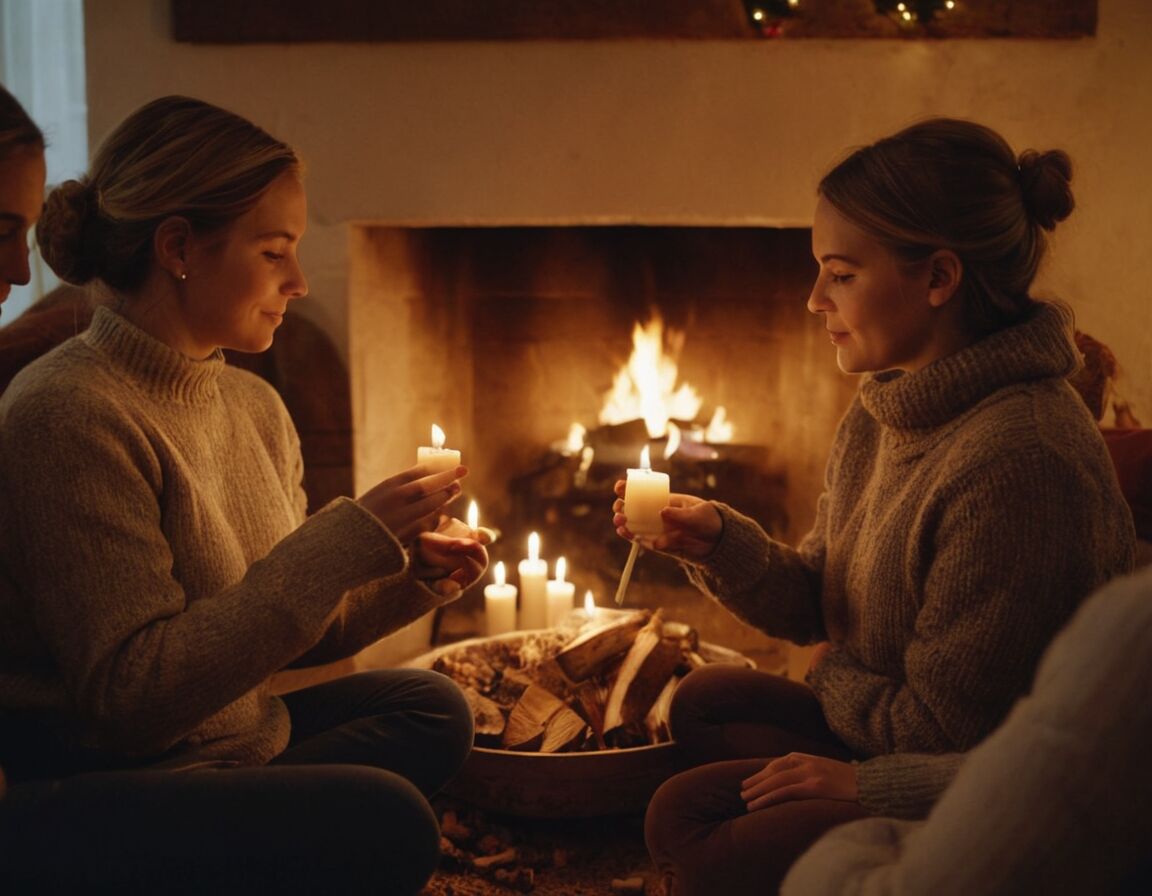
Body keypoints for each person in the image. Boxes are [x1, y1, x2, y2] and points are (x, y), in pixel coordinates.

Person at [611, 118, 1137, 894]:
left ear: (938, 278)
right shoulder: (886, 403)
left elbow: (956, 735)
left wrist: (836, 710)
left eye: (841, 273)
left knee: (688, 825)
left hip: (961, 777)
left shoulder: (1019, 462)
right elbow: (822, 599)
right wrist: (719, 543)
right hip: (888, 719)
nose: (813, 299)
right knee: (703, 703)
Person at [0, 91, 485, 893]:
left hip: (228, 739)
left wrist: (416, 576)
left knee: (434, 708)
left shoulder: (251, 403)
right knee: (389, 820)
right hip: (112, 770)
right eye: (273, 251)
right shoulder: (69, 414)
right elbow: (129, 701)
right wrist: (341, 542)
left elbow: (284, 627)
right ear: (180, 247)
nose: (298, 281)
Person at [781, 561, 1152, 896]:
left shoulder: (1132, 630)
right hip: (903, 761)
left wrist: (831, 675)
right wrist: (725, 540)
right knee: (725, 703)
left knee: (742, 829)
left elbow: (938, 734)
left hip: (897, 763)